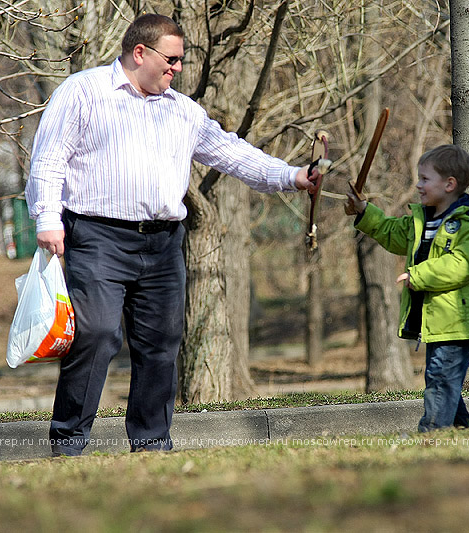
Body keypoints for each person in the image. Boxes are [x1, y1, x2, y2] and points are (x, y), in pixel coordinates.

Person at [25, 13, 320, 456]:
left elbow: (231, 153)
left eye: (181, 61)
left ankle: (151, 445)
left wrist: (292, 176)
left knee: (160, 345)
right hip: (98, 238)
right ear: (139, 52)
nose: (178, 69)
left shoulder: (181, 110)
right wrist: (47, 218)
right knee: (99, 336)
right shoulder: (83, 92)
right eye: (172, 59)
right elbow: (48, 159)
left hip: (163, 244)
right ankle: (67, 445)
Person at [345, 144, 469, 432]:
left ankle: (432, 431)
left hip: (458, 322)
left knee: (440, 377)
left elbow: (462, 265)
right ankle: (462, 429)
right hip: (438, 321)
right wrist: (363, 210)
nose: (418, 185)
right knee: (442, 378)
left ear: (449, 184)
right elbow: (390, 231)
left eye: (425, 179)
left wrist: (419, 275)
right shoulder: (422, 221)